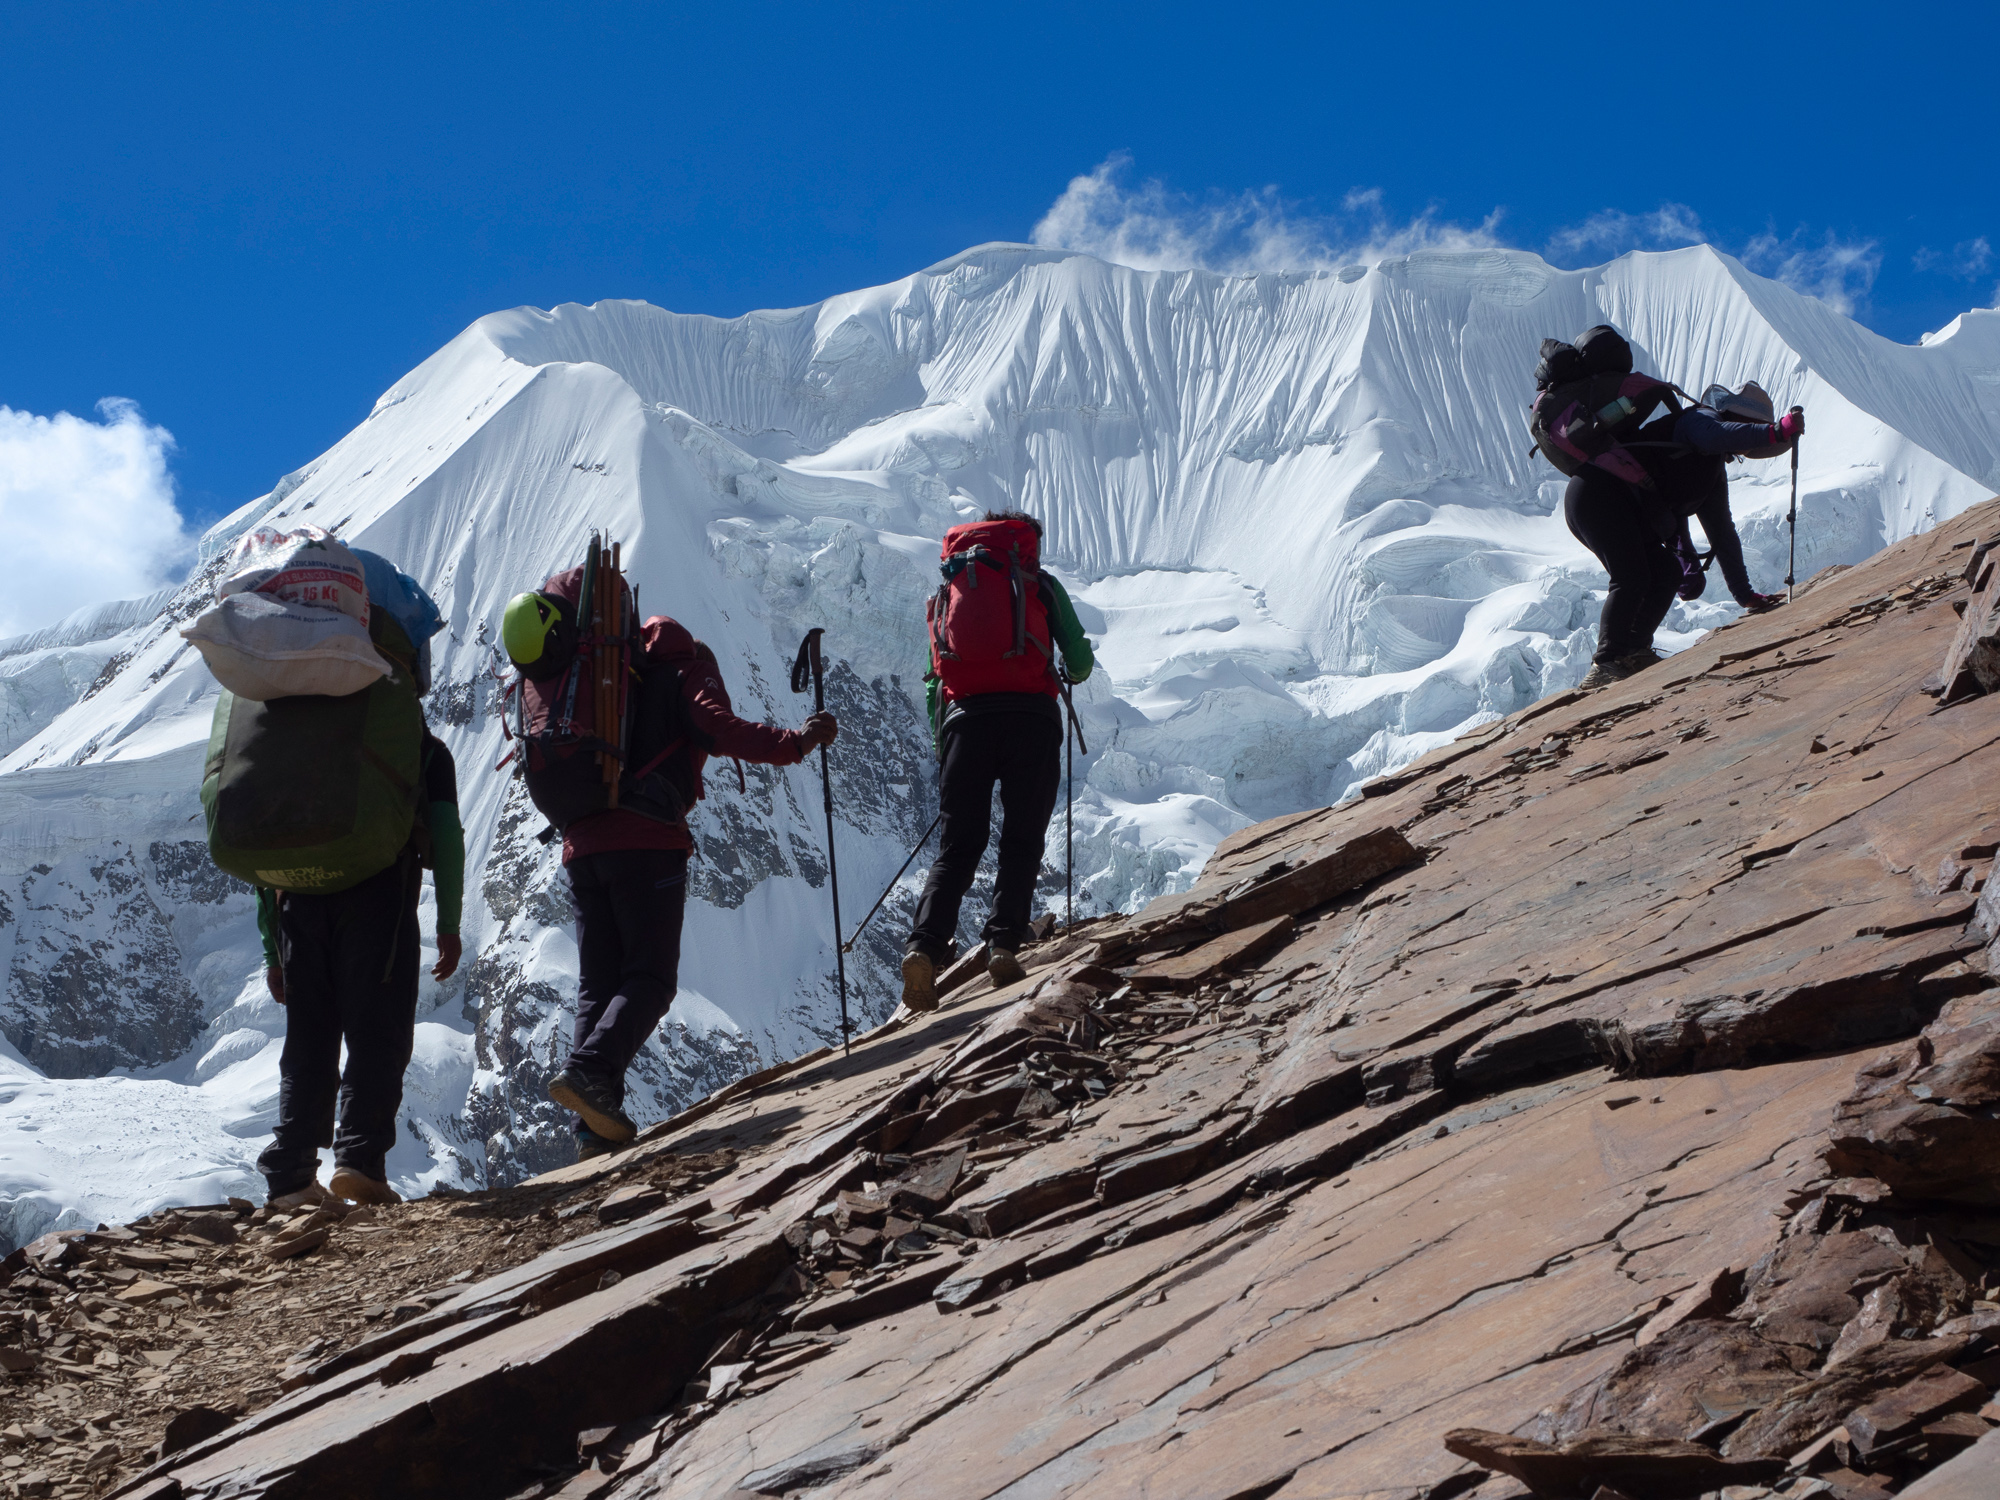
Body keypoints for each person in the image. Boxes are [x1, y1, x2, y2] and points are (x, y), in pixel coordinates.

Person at [524, 612, 836, 1160]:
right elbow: (719, 728)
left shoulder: (608, 682)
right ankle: (590, 1073)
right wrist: (796, 742)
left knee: (599, 982)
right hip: (646, 841)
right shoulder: (687, 670)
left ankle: (594, 1129)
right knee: (649, 977)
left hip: (581, 845)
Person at [255, 726, 465, 1210]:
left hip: (298, 901)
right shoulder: (418, 748)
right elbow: (446, 838)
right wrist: (449, 923)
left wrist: (273, 947)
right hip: (379, 899)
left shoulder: (290, 741)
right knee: (379, 1030)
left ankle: (291, 1172)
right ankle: (360, 1162)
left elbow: (265, 851)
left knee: (309, 1035)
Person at [901, 510, 1095, 1012]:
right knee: (1022, 837)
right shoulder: (1039, 585)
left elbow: (934, 678)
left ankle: (924, 946)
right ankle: (1003, 943)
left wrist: (946, 744)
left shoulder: (948, 595)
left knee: (958, 844)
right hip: (1030, 721)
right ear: (1026, 547)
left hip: (965, 723)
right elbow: (1079, 662)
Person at [1542, 325, 1800, 690]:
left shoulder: (1709, 470)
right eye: (1748, 430)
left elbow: (1721, 532)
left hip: (1616, 503)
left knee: (1664, 570)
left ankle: (1633, 651)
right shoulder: (1699, 421)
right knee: (1631, 575)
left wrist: (1744, 595)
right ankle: (1607, 662)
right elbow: (1721, 435)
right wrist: (1775, 433)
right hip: (1596, 496)